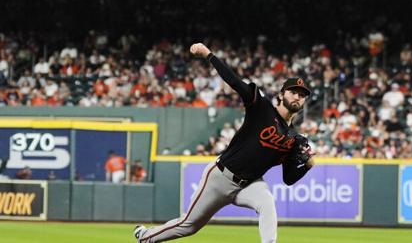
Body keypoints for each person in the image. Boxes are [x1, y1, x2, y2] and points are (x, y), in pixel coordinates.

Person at [133, 43, 315, 243]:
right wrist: (209, 55)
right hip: (221, 176)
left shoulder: (294, 139)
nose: (297, 96)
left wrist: (306, 166)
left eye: (302, 94)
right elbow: (235, 82)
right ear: (281, 95)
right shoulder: (261, 108)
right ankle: (145, 237)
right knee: (189, 225)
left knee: (267, 203)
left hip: (250, 184)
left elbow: (288, 178)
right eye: (293, 92)